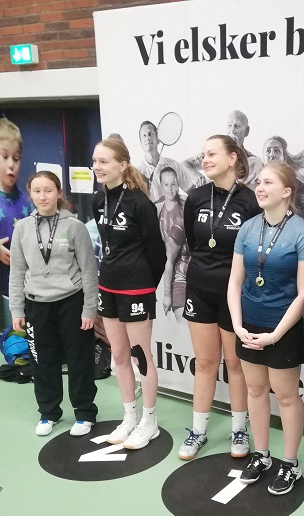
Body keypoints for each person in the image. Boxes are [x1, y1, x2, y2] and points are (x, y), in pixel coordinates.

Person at [228, 161, 304, 495]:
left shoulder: (302, 232)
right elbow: (235, 281)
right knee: (254, 390)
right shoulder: (248, 228)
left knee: (286, 395)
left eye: (268, 182)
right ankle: (262, 455)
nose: (260, 188)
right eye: (259, 182)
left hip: (284, 328)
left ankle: (290, 463)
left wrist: (276, 335)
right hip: (248, 326)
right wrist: (237, 325)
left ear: (286, 191)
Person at [179, 135, 261, 460]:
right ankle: (198, 431)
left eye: (212, 154)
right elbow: (192, 241)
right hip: (199, 290)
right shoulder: (196, 197)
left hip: (235, 295)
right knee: (205, 363)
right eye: (203, 155)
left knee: (236, 364)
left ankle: (239, 429)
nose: (205, 159)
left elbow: (255, 251)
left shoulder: (250, 201)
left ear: (232, 158)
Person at [8, 171, 99, 436]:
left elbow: (89, 270)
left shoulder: (75, 227)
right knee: (42, 361)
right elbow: (17, 271)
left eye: (48, 190)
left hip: (72, 302)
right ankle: (49, 413)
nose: (42, 196)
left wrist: (89, 309)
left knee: (79, 360)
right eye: (37, 191)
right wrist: (17, 309)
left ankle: (84, 413)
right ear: (30, 194)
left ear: (58, 193)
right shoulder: (22, 228)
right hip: (36, 305)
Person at [92, 138, 166, 450]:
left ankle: (150, 421)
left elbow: (158, 253)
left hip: (137, 288)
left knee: (140, 356)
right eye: (95, 161)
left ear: (122, 165)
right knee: (119, 355)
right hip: (107, 286)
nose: (97, 167)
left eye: (103, 161)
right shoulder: (98, 200)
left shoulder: (141, 204)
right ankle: (130, 417)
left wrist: (146, 286)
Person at [0, 118, 34, 326]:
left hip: (26, 290)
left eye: (16, 159)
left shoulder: (28, 202)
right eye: (5, 156)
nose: (11, 165)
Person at [136, 120, 201, 206]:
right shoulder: (136, 173)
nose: (147, 138)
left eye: (150, 134)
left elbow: (192, 192)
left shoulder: (174, 165)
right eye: (144, 135)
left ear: (158, 139)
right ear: (140, 143)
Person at [158, 167, 190, 321]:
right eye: (166, 184)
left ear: (178, 185)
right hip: (167, 272)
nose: (170, 189)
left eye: (173, 184)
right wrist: (165, 293)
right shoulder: (157, 209)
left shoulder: (186, 206)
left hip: (185, 271)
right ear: (161, 185)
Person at [227, 110, 263, 188]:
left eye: (236, 125)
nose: (232, 130)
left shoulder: (255, 163)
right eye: (229, 125)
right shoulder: (218, 155)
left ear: (246, 131)